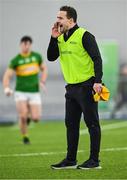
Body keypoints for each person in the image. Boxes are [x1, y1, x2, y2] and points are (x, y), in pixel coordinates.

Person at [47, 6, 103, 169]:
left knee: (92, 123)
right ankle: (71, 160)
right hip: (71, 89)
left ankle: (94, 160)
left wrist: (97, 81)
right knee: (71, 125)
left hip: (87, 86)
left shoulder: (84, 35)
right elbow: (51, 57)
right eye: (57, 17)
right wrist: (52, 38)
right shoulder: (60, 37)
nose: (57, 21)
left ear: (70, 20)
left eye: (60, 18)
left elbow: (97, 59)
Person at [3, 36, 48, 144]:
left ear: (30, 45)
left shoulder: (36, 57)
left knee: (36, 118)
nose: (26, 46)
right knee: (22, 116)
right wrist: (6, 88)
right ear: (21, 45)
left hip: (34, 91)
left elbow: (44, 68)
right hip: (21, 91)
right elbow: (7, 75)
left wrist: (42, 81)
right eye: (24, 44)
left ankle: (29, 116)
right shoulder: (16, 60)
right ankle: (25, 137)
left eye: (28, 44)